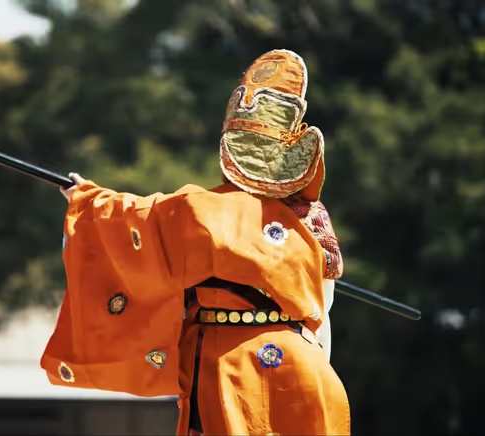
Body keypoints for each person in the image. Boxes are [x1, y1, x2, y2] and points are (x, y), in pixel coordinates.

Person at [40, 49, 350, 436]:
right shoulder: (313, 219)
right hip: (306, 369)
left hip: (233, 368)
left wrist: (85, 198)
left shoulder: (201, 211)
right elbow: (323, 314)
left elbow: (135, 220)